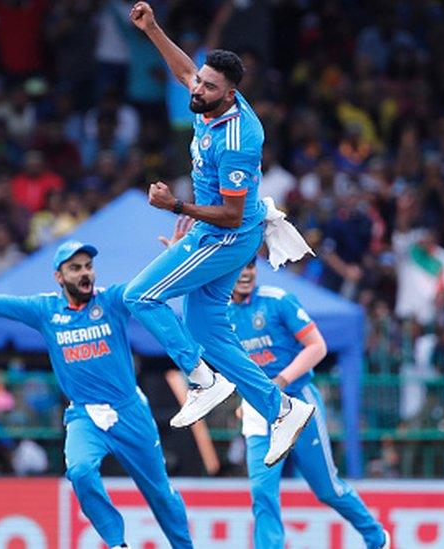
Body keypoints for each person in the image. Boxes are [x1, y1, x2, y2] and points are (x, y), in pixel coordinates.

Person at [0, 241, 193, 549]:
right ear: (59, 277)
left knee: (160, 493)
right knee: (79, 471)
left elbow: (148, 285)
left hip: (129, 411)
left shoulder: (112, 300)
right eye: (75, 268)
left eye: (88, 266)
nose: (85, 273)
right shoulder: (45, 310)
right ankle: (117, 543)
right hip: (85, 416)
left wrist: (175, 253)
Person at [124, 1, 315, 468]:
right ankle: (282, 409)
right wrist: (152, 29)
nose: (198, 87)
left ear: (228, 95)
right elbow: (185, 68)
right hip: (220, 232)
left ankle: (201, 379)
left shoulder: (238, 140)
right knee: (210, 334)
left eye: (209, 86)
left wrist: (177, 206)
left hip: (224, 238)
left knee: (139, 296)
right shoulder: (206, 96)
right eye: (201, 80)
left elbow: (231, 216)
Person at [228, 259, 390, 549]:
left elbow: (317, 346)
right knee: (262, 492)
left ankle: (376, 536)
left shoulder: (277, 301)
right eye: (239, 267)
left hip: (298, 403)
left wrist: (279, 381)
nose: (246, 272)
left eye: (251, 266)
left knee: (327, 489)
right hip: (258, 411)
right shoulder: (219, 313)